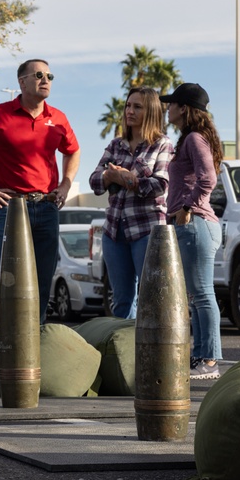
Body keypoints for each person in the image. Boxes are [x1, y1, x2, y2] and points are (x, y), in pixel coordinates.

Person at [0, 59, 81, 324]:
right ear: (22, 82)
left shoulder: (58, 118)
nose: (45, 80)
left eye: (49, 75)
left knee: (44, 276)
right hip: (12, 207)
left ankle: (35, 340)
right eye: (38, 75)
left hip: (47, 206)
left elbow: (73, 151)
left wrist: (65, 184)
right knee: (5, 274)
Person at [88, 87, 173, 319]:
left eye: (137, 106)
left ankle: (149, 352)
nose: (130, 111)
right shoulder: (116, 144)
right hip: (114, 232)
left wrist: (128, 179)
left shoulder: (162, 144)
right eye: (128, 105)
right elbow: (94, 181)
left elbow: (160, 185)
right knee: (121, 300)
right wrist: (109, 177)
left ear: (151, 111)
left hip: (147, 231)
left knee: (150, 298)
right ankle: (123, 351)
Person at [162, 83, 224, 380]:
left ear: (184, 108)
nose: (167, 108)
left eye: (172, 103)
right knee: (195, 294)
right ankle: (201, 356)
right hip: (192, 225)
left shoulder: (195, 139)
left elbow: (208, 178)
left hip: (196, 224)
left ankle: (210, 361)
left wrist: (187, 207)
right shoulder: (191, 139)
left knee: (201, 293)